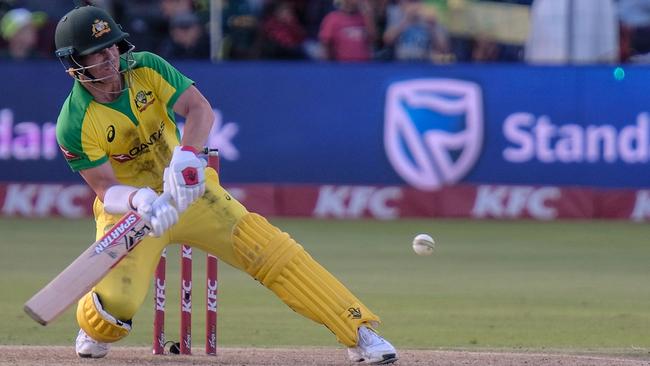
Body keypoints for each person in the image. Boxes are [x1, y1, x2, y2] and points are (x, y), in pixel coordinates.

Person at [53, 5, 398, 364]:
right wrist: (139, 199)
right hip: (136, 215)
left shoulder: (146, 67)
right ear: (75, 62)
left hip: (191, 194)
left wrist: (187, 157)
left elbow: (199, 109)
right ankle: (92, 325)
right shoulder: (74, 122)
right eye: (97, 50)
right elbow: (105, 189)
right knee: (113, 314)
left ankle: (359, 331)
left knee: (273, 252)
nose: (110, 56)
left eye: (112, 45)